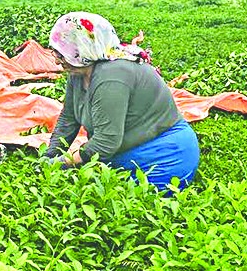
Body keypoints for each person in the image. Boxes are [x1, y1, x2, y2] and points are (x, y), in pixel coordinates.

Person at [42, 12, 199, 190]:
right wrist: (48, 157)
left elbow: (106, 142)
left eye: (62, 54)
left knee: (131, 207)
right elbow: (68, 118)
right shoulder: (78, 72)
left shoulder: (111, 76)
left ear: (83, 49)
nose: (56, 61)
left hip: (163, 157)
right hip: (120, 153)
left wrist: (61, 163)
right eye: (56, 52)